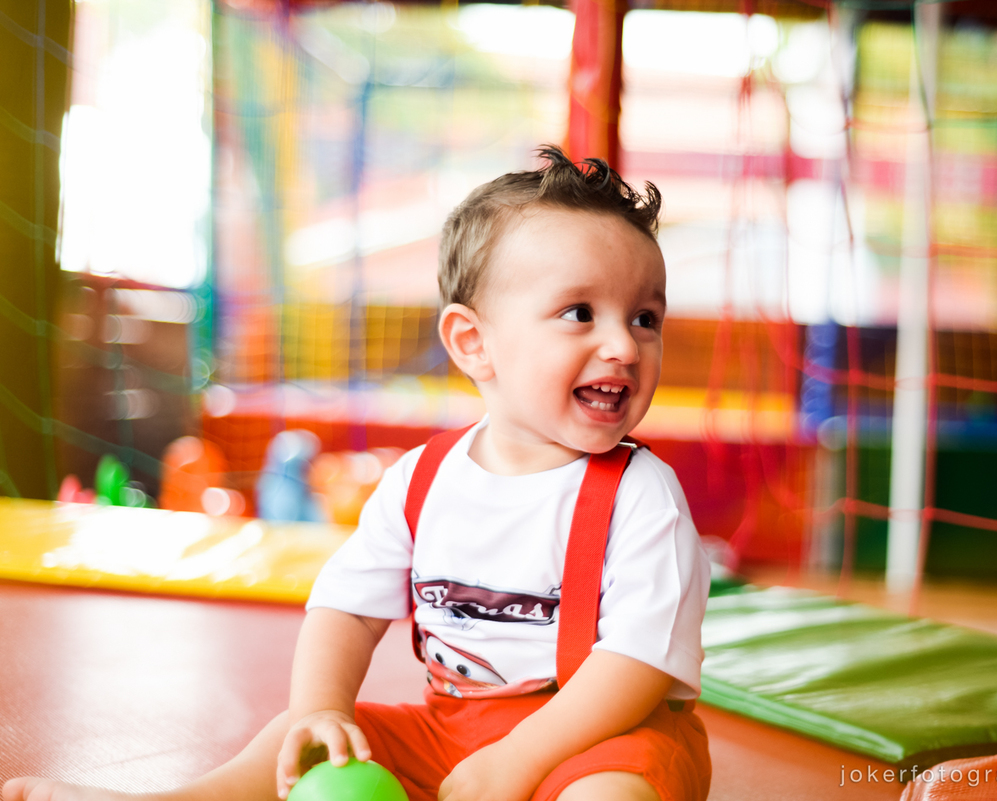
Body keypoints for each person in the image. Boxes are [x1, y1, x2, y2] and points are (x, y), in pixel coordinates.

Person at [3, 145, 711, 801]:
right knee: (295, 744)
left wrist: (520, 759)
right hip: (451, 731)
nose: (623, 344)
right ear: (473, 342)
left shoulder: (643, 496)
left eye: (646, 318)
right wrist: (322, 709)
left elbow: (637, 662)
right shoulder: (422, 481)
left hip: (606, 736)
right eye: (581, 313)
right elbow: (344, 607)